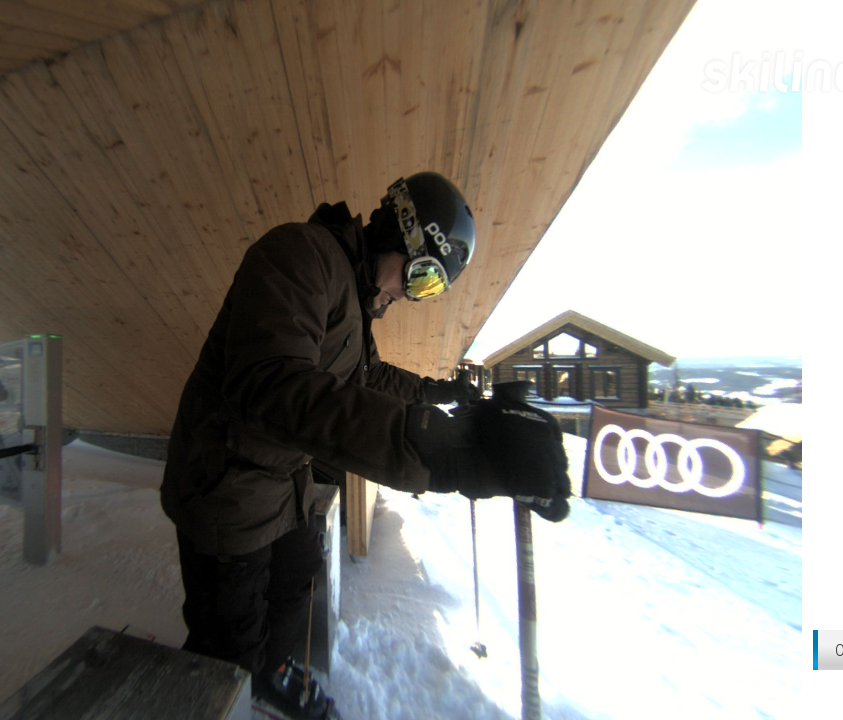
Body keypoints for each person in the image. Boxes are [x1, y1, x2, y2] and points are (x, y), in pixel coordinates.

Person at [160, 173, 570, 718]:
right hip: (225, 485)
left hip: (281, 481)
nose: (410, 296)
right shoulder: (298, 255)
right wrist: (441, 448)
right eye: (421, 278)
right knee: (228, 643)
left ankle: (268, 673)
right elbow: (272, 386)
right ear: (400, 231)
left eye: (430, 291)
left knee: (296, 580)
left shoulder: (353, 296)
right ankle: (237, 683)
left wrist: (438, 395)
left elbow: (368, 376)